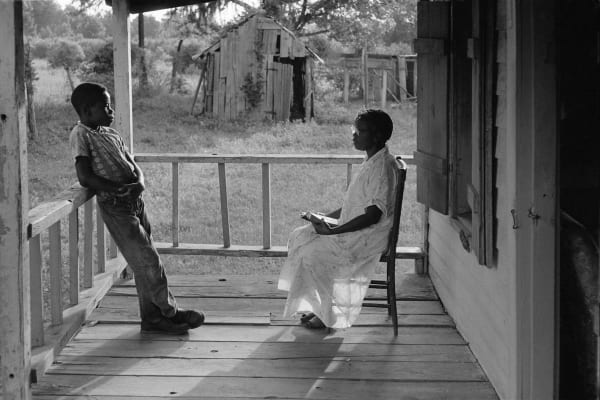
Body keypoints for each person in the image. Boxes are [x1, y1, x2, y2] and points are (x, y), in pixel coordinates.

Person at [69, 82, 204, 334]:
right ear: (87, 111)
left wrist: (139, 183)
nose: (111, 111)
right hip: (116, 205)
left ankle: (152, 319)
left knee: (145, 261)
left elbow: (132, 163)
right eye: (105, 106)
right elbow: (85, 176)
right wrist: (115, 188)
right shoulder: (81, 135)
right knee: (147, 259)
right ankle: (171, 312)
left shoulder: (111, 134)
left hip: (135, 201)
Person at [278, 109, 398, 329]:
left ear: (377, 136)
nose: (354, 134)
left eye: (360, 131)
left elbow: (372, 215)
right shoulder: (373, 161)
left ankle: (327, 315)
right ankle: (319, 307)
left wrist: (334, 231)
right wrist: (324, 218)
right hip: (359, 227)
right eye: (354, 129)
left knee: (313, 253)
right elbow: (355, 205)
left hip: (370, 235)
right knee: (301, 235)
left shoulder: (381, 167)